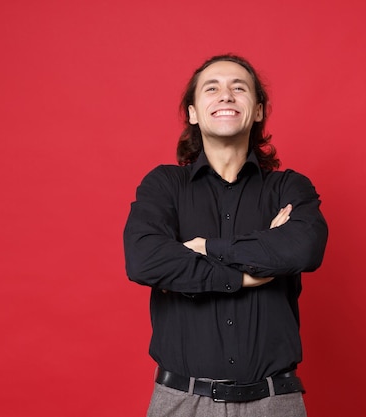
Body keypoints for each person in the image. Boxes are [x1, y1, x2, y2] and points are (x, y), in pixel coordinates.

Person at [123, 54, 328, 417]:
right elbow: (145, 260)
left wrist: (207, 248)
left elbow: (304, 248)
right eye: (212, 88)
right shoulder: (164, 186)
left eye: (239, 88)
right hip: (182, 401)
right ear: (193, 113)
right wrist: (245, 275)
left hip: (274, 402)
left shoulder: (289, 188)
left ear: (259, 110)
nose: (226, 96)